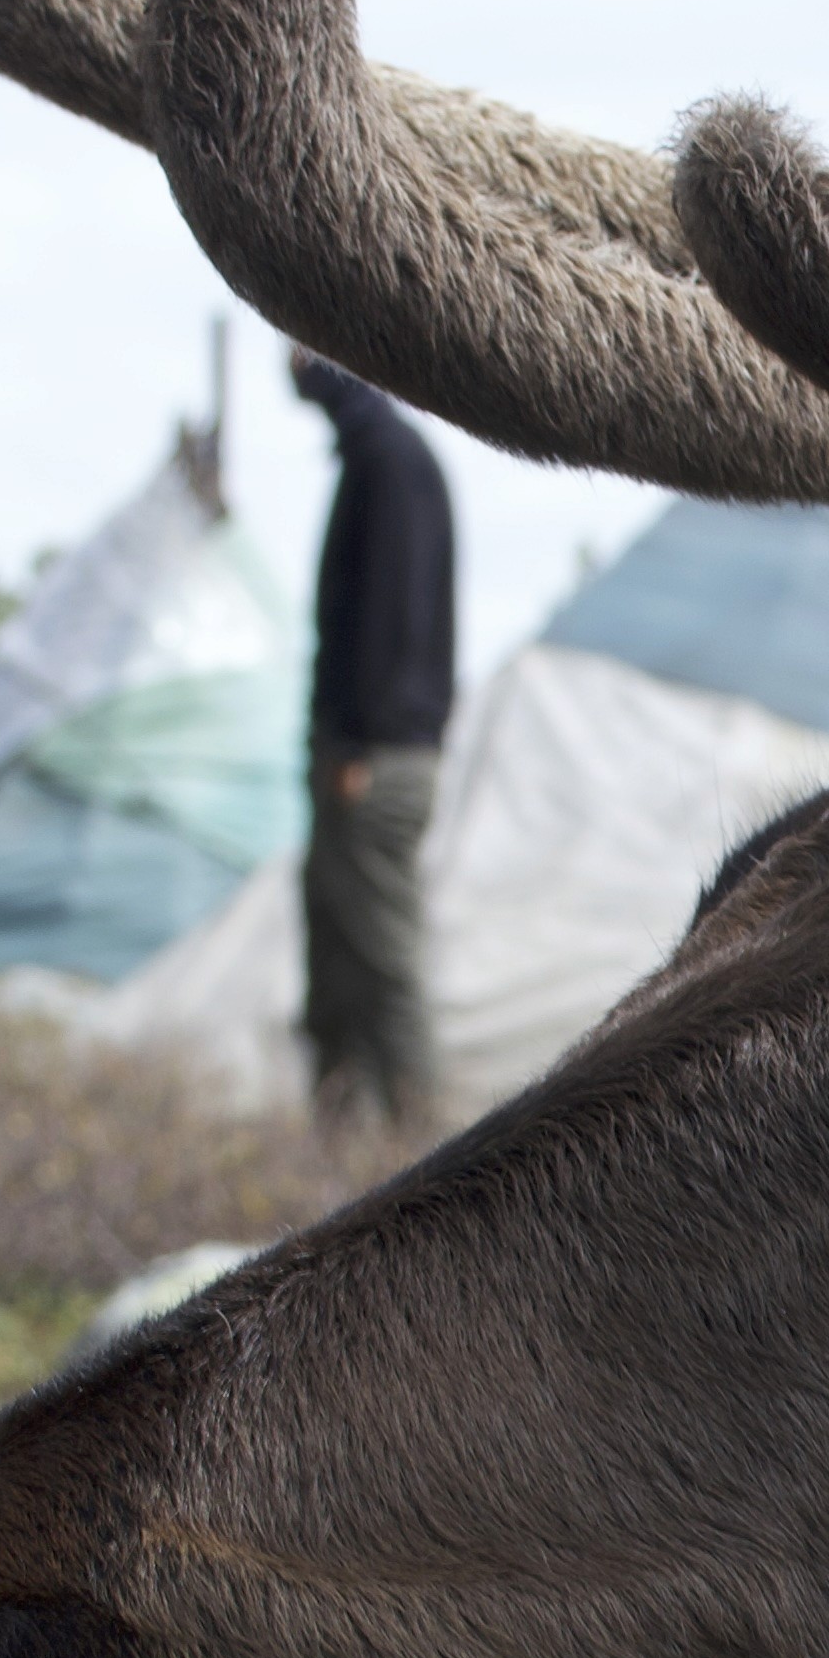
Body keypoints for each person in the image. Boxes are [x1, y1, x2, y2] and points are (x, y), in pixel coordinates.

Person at [290, 352, 454, 1128]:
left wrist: (357, 744)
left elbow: (389, 620)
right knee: (340, 962)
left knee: (383, 965)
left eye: (305, 345)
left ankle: (426, 1159)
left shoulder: (388, 461)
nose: (289, 363)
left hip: (374, 758)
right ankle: (341, 1137)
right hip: (374, 751)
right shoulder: (380, 456)